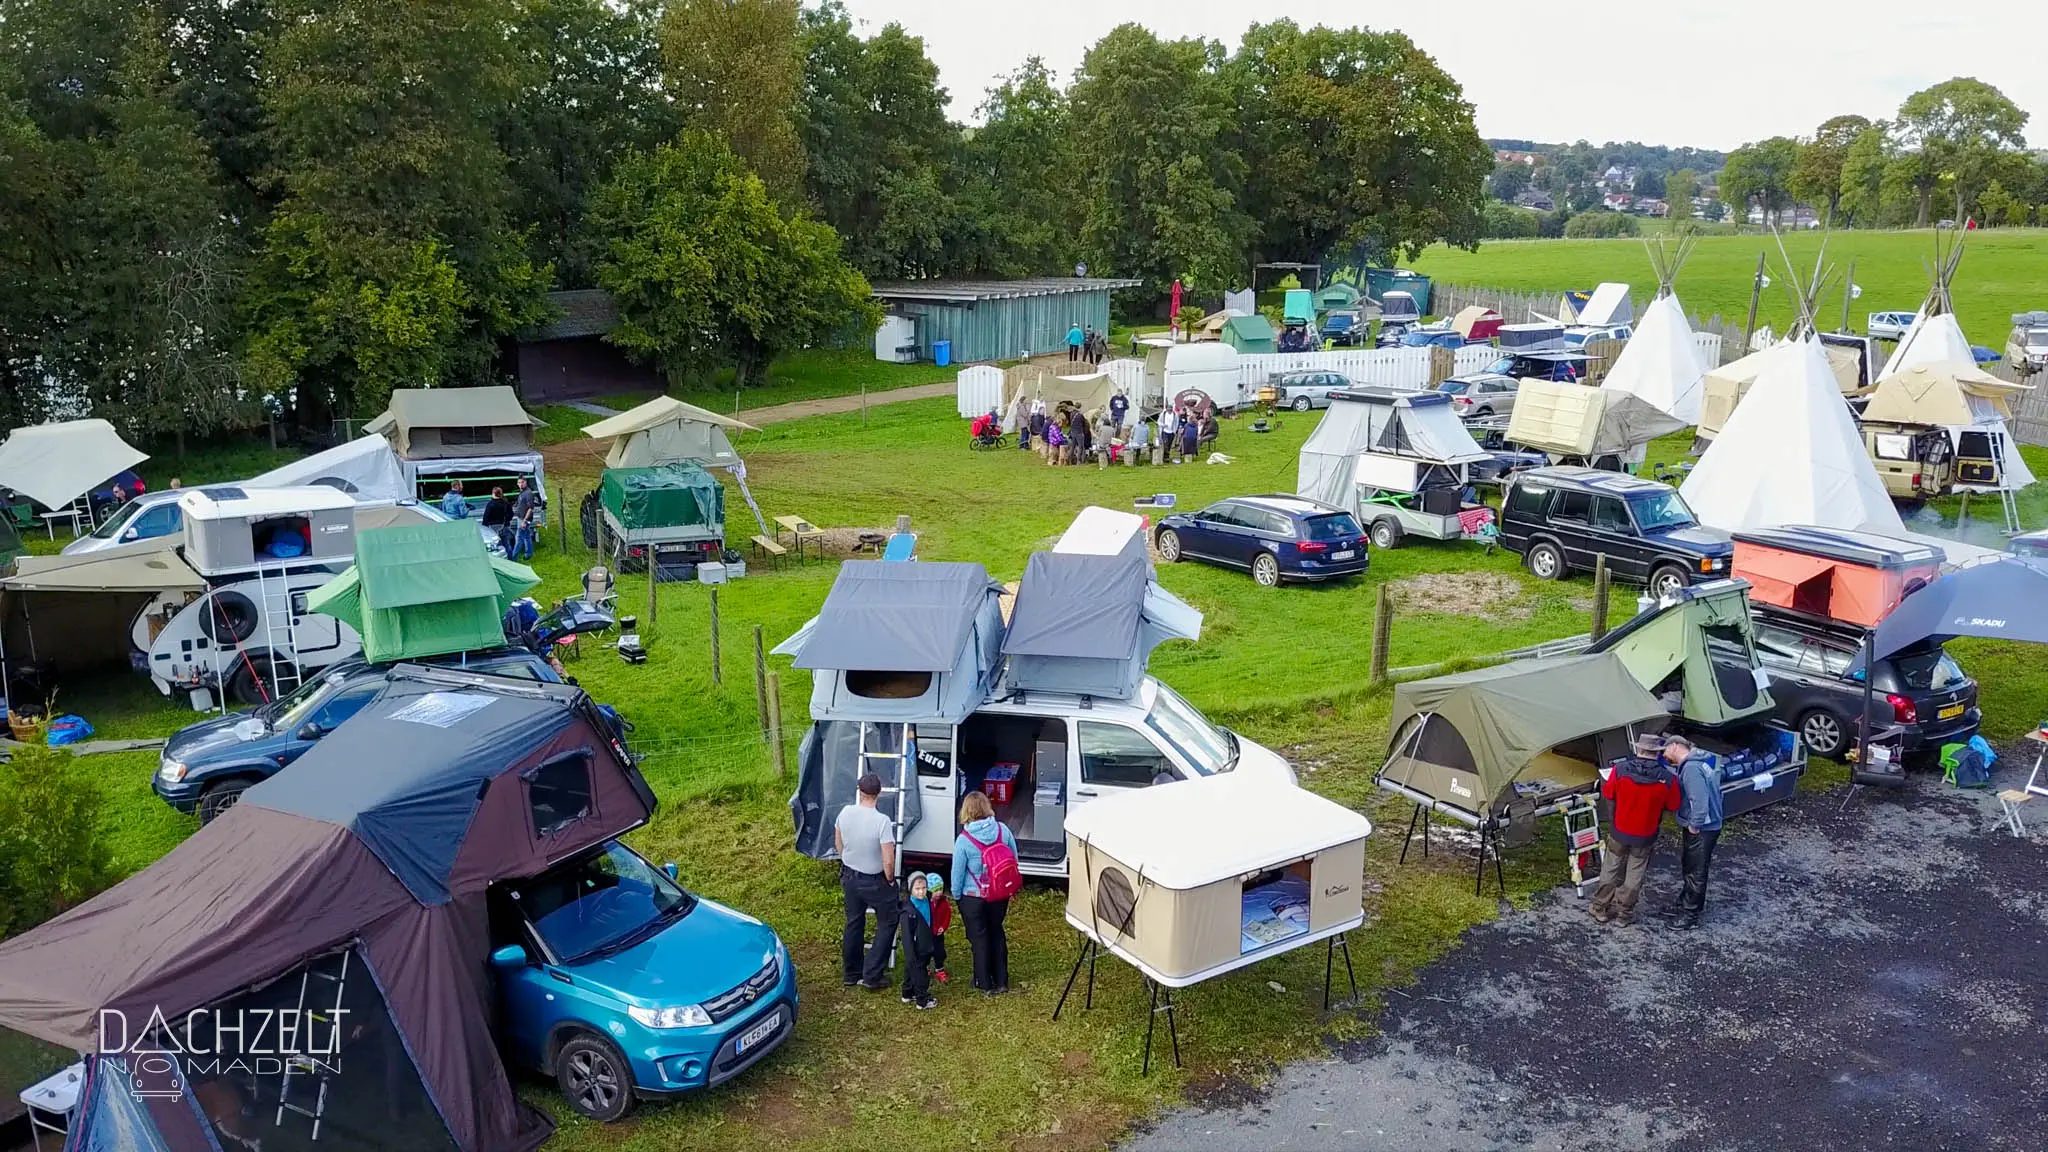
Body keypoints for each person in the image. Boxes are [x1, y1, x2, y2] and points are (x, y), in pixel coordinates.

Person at [1588, 748, 1681, 927]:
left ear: (1639, 750)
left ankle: (1599, 907)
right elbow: (1673, 804)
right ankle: (1624, 913)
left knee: (1611, 868)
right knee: (1635, 874)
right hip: (1645, 835)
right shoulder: (1669, 779)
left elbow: (1608, 793)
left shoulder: (1620, 770)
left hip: (1619, 830)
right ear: (1658, 753)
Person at [835, 774, 899, 990]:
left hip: (849, 876)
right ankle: (872, 975)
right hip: (874, 880)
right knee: (888, 920)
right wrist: (890, 880)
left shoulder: (845, 813)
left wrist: (848, 859)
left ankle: (851, 973)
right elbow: (888, 859)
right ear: (878, 793)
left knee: (854, 921)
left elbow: (838, 842)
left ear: (859, 791)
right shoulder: (881, 822)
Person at [951, 791, 1017, 994]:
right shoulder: (1002, 830)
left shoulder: (964, 840)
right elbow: (1013, 859)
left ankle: (983, 982)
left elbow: (957, 873)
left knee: (979, 938)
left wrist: (956, 895)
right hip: (999, 894)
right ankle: (1002, 981)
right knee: (996, 932)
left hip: (973, 897)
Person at [1662, 737, 1723, 930]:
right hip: (1709, 824)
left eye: (1665, 750)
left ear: (1675, 746)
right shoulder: (1699, 763)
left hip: (1702, 828)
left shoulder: (1690, 770)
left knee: (1696, 869)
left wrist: (1694, 825)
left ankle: (1690, 913)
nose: (1663, 755)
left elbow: (1699, 800)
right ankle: (1685, 901)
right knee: (1690, 864)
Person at [899, 872, 940, 1010]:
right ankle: (922, 1000)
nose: (921, 892)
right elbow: (906, 936)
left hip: (926, 942)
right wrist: (910, 953)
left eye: (923, 888)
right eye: (917, 889)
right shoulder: (908, 911)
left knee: (911, 970)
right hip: (916, 947)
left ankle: (908, 993)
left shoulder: (927, 898)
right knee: (920, 972)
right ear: (910, 889)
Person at [512, 477, 544, 561]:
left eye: (522, 482)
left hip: (525, 519)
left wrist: (525, 520)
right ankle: (528, 554)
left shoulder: (528, 493)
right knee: (526, 537)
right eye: (519, 483)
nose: (520, 484)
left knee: (519, 538)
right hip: (521, 518)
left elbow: (530, 508)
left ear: (526, 482)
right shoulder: (522, 493)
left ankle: (513, 557)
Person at [482, 486, 513, 553]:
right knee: (507, 544)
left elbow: (486, 517)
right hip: (504, 525)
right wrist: (507, 520)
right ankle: (511, 559)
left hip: (492, 527)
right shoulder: (506, 502)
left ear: (493, 493)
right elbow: (511, 514)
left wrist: (484, 527)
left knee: (495, 546)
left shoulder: (490, 504)